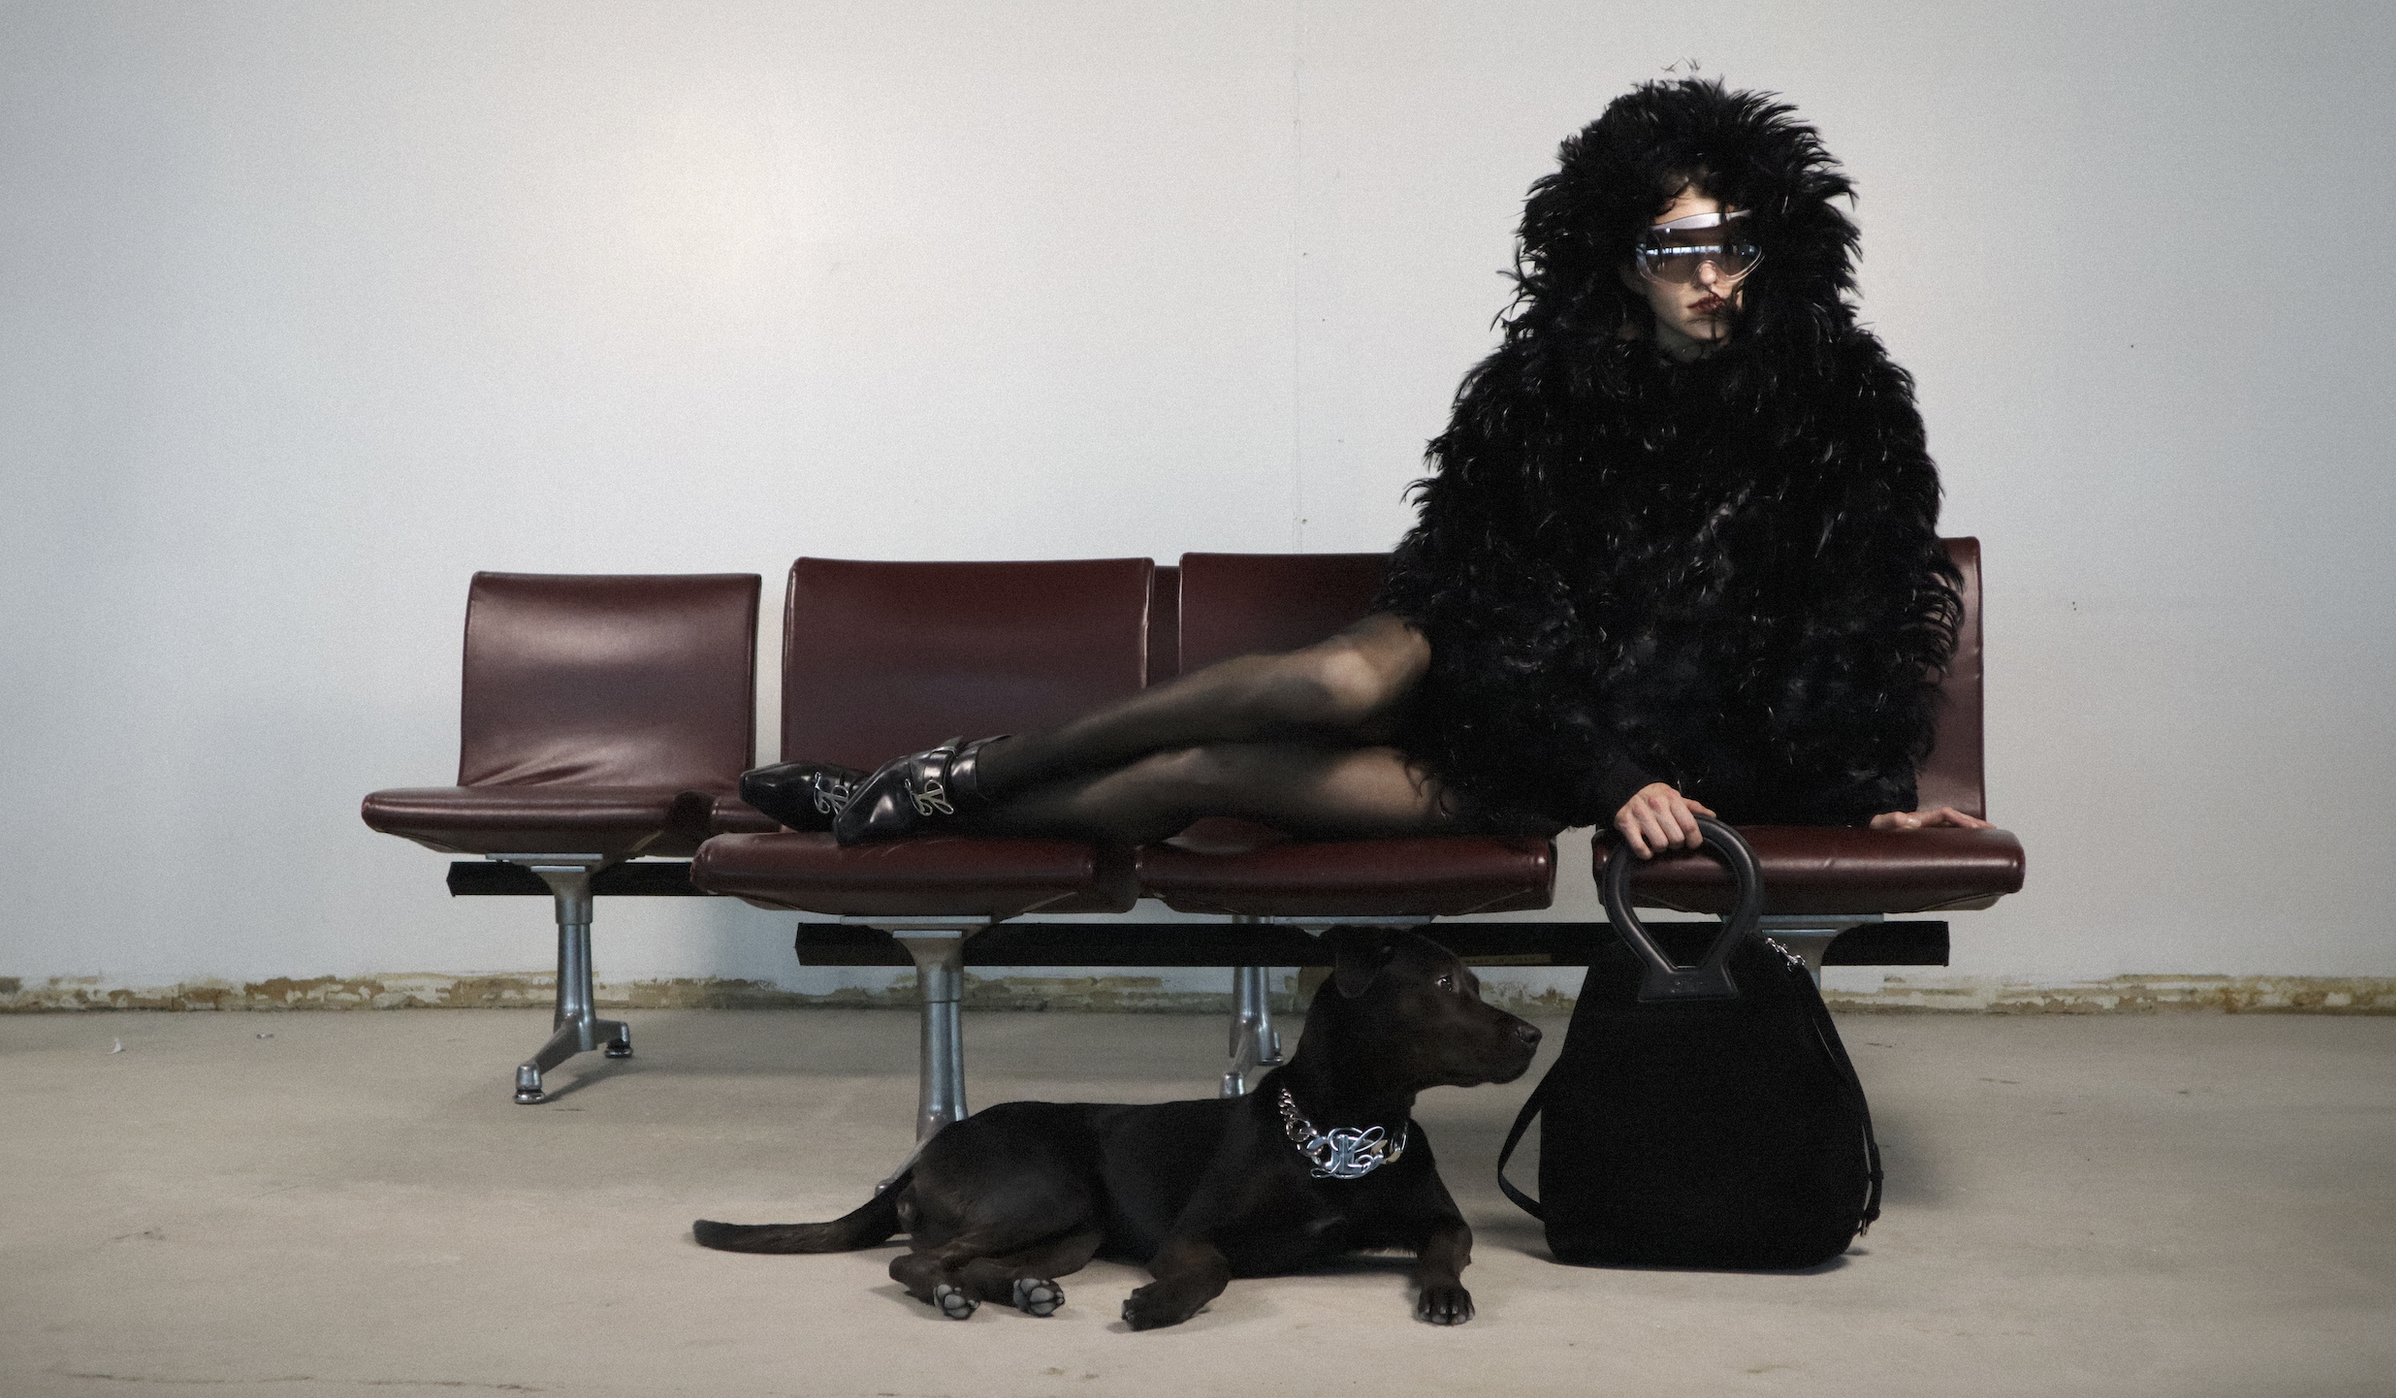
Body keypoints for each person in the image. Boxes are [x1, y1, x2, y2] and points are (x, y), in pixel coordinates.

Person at [748, 77, 1989, 859]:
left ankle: (888, 808)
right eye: (1677, 251)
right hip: (1503, 672)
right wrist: (1599, 752)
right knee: (1337, 677)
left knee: (1199, 774)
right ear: (1616, 262)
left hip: (1602, 756)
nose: (1713, 278)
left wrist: (1863, 790)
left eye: (1735, 246)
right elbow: (1491, 601)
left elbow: (1860, 625)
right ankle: (973, 766)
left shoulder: (1849, 407)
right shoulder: (1540, 392)